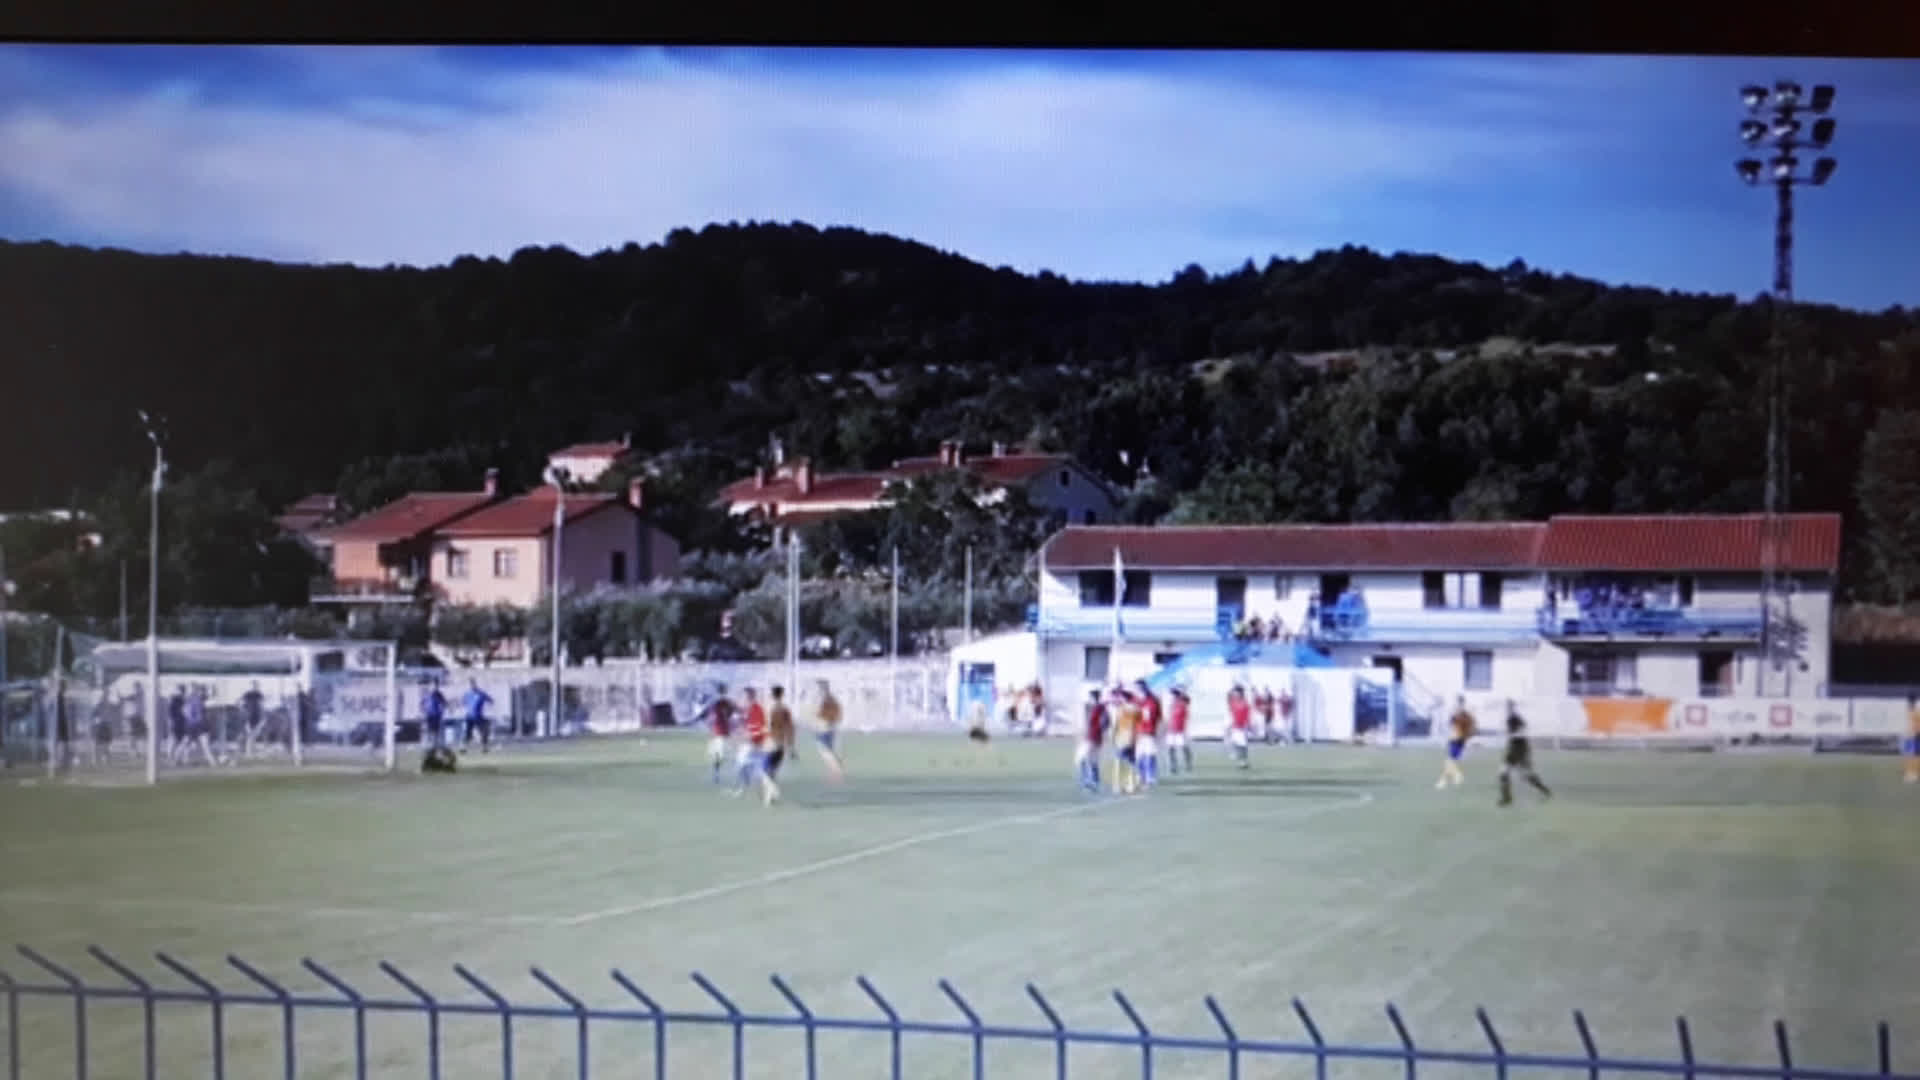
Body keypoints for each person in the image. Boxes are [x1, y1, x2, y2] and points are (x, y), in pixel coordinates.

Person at [1498, 702, 1552, 807]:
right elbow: (1516, 733)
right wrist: (1510, 736)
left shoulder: (1515, 719)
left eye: (1509, 707)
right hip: (1515, 749)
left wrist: (1511, 734)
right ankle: (1507, 798)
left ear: (1513, 708)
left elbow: (1522, 732)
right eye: (1507, 707)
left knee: (1523, 775)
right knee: (1505, 772)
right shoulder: (1511, 719)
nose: (1507, 709)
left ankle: (1544, 791)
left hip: (1519, 749)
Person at [1437, 696, 1473, 789]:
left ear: (1462, 704)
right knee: (1450, 761)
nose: (1458, 705)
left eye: (1460, 703)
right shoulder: (1455, 714)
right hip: (1454, 739)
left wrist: (1467, 738)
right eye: (1458, 703)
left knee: (1451, 761)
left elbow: (1469, 728)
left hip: (1460, 740)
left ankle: (1453, 777)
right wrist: (1447, 738)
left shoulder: (1465, 715)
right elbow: (1450, 726)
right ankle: (1449, 779)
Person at [814, 679, 846, 781]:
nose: (817, 690)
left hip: (825, 727)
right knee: (828, 750)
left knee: (825, 750)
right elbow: (838, 712)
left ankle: (837, 771)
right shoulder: (829, 699)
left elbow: (824, 713)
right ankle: (835, 771)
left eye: (819, 687)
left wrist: (822, 719)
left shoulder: (826, 699)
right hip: (829, 727)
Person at [1077, 687, 1106, 792]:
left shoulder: (1098, 708)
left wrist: (1097, 730)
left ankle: (1087, 781)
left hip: (1092, 737)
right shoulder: (1097, 708)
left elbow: (1103, 723)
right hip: (1094, 737)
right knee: (1092, 760)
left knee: (1082, 758)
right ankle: (1094, 781)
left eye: (1091, 697)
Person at [1111, 687, 1140, 795]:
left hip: (1123, 736)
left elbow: (1116, 724)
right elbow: (1139, 722)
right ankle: (1131, 784)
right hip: (1133, 736)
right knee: (1131, 761)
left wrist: (1113, 736)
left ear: (1124, 698)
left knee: (1119, 761)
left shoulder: (1121, 709)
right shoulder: (1136, 708)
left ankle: (1118, 785)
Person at [1133, 680, 1161, 789]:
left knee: (1149, 755)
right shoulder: (1136, 700)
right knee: (1139, 756)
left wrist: (1156, 729)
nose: (1138, 689)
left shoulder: (1152, 700)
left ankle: (1150, 778)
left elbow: (1157, 716)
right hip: (1138, 732)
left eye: (1139, 687)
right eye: (1136, 688)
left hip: (1149, 732)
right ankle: (1141, 776)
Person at [705, 687, 737, 783]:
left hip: (724, 732)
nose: (722, 694)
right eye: (721, 692)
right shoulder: (716, 703)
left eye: (723, 692)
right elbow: (710, 715)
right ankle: (716, 773)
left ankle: (717, 773)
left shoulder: (726, 703)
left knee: (722, 754)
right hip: (718, 732)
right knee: (720, 754)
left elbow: (732, 712)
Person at [765, 685, 796, 782]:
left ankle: (769, 780)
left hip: (769, 738)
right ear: (782, 695)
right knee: (775, 762)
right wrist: (791, 746)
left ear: (772, 695)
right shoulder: (784, 708)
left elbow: (766, 724)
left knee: (769, 763)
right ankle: (770, 777)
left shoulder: (768, 707)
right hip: (779, 739)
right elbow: (790, 727)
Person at [460, 679, 493, 753]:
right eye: (471, 684)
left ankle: (484, 748)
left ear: (476, 684)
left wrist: (489, 707)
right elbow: (463, 702)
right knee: (468, 733)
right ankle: (463, 748)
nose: (472, 686)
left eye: (473, 684)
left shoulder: (481, 693)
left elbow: (490, 700)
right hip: (470, 716)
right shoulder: (468, 694)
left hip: (478, 716)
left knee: (483, 731)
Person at [1166, 687, 1193, 774]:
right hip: (1171, 730)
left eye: (1172, 695)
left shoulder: (1182, 704)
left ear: (1176, 695)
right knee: (1170, 748)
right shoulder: (1171, 705)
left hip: (1180, 730)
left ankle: (1188, 763)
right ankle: (1173, 766)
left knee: (1183, 747)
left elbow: (1188, 700)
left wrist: (1183, 694)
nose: (1171, 697)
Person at [1225, 685, 1252, 768]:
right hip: (1234, 726)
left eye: (1236, 692)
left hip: (1241, 727)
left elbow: (1247, 716)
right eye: (1234, 693)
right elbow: (1228, 698)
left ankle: (1243, 761)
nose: (1235, 694)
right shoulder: (1233, 701)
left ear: (1241, 693)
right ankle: (1240, 758)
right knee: (1233, 742)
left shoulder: (1245, 703)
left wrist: (1248, 725)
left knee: (1242, 745)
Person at [240, 681, 267, 758]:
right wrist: (243, 710)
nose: (255, 687)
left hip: (257, 717)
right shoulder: (247, 694)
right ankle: (248, 752)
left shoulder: (259, 694)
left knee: (254, 735)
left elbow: (262, 705)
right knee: (249, 735)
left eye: (256, 685)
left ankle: (251, 751)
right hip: (249, 718)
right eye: (254, 685)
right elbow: (242, 703)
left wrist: (263, 717)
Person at [421, 680, 449, 751]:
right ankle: (428, 745)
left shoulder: (439, 694)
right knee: (428, 730)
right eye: (433, 685)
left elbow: (444, 703)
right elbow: (422, 703)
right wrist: (423, 711)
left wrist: (441, 711)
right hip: (429, 715)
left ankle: (434, 745)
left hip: (436, 716)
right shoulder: (426, 694)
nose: (435, 687)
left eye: (436, 685)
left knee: (436, 732)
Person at [1903, 694, 1920, 785]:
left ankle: (1914, 774)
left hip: (1914, 736)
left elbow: (1917, 725)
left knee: (1914, 755)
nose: (1909, 704)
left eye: (1910, 702)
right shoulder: (1911, 711)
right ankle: (1911, 773)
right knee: (1910, 755)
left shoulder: (1915, 712)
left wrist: (1915, 734)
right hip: (1910, 736)